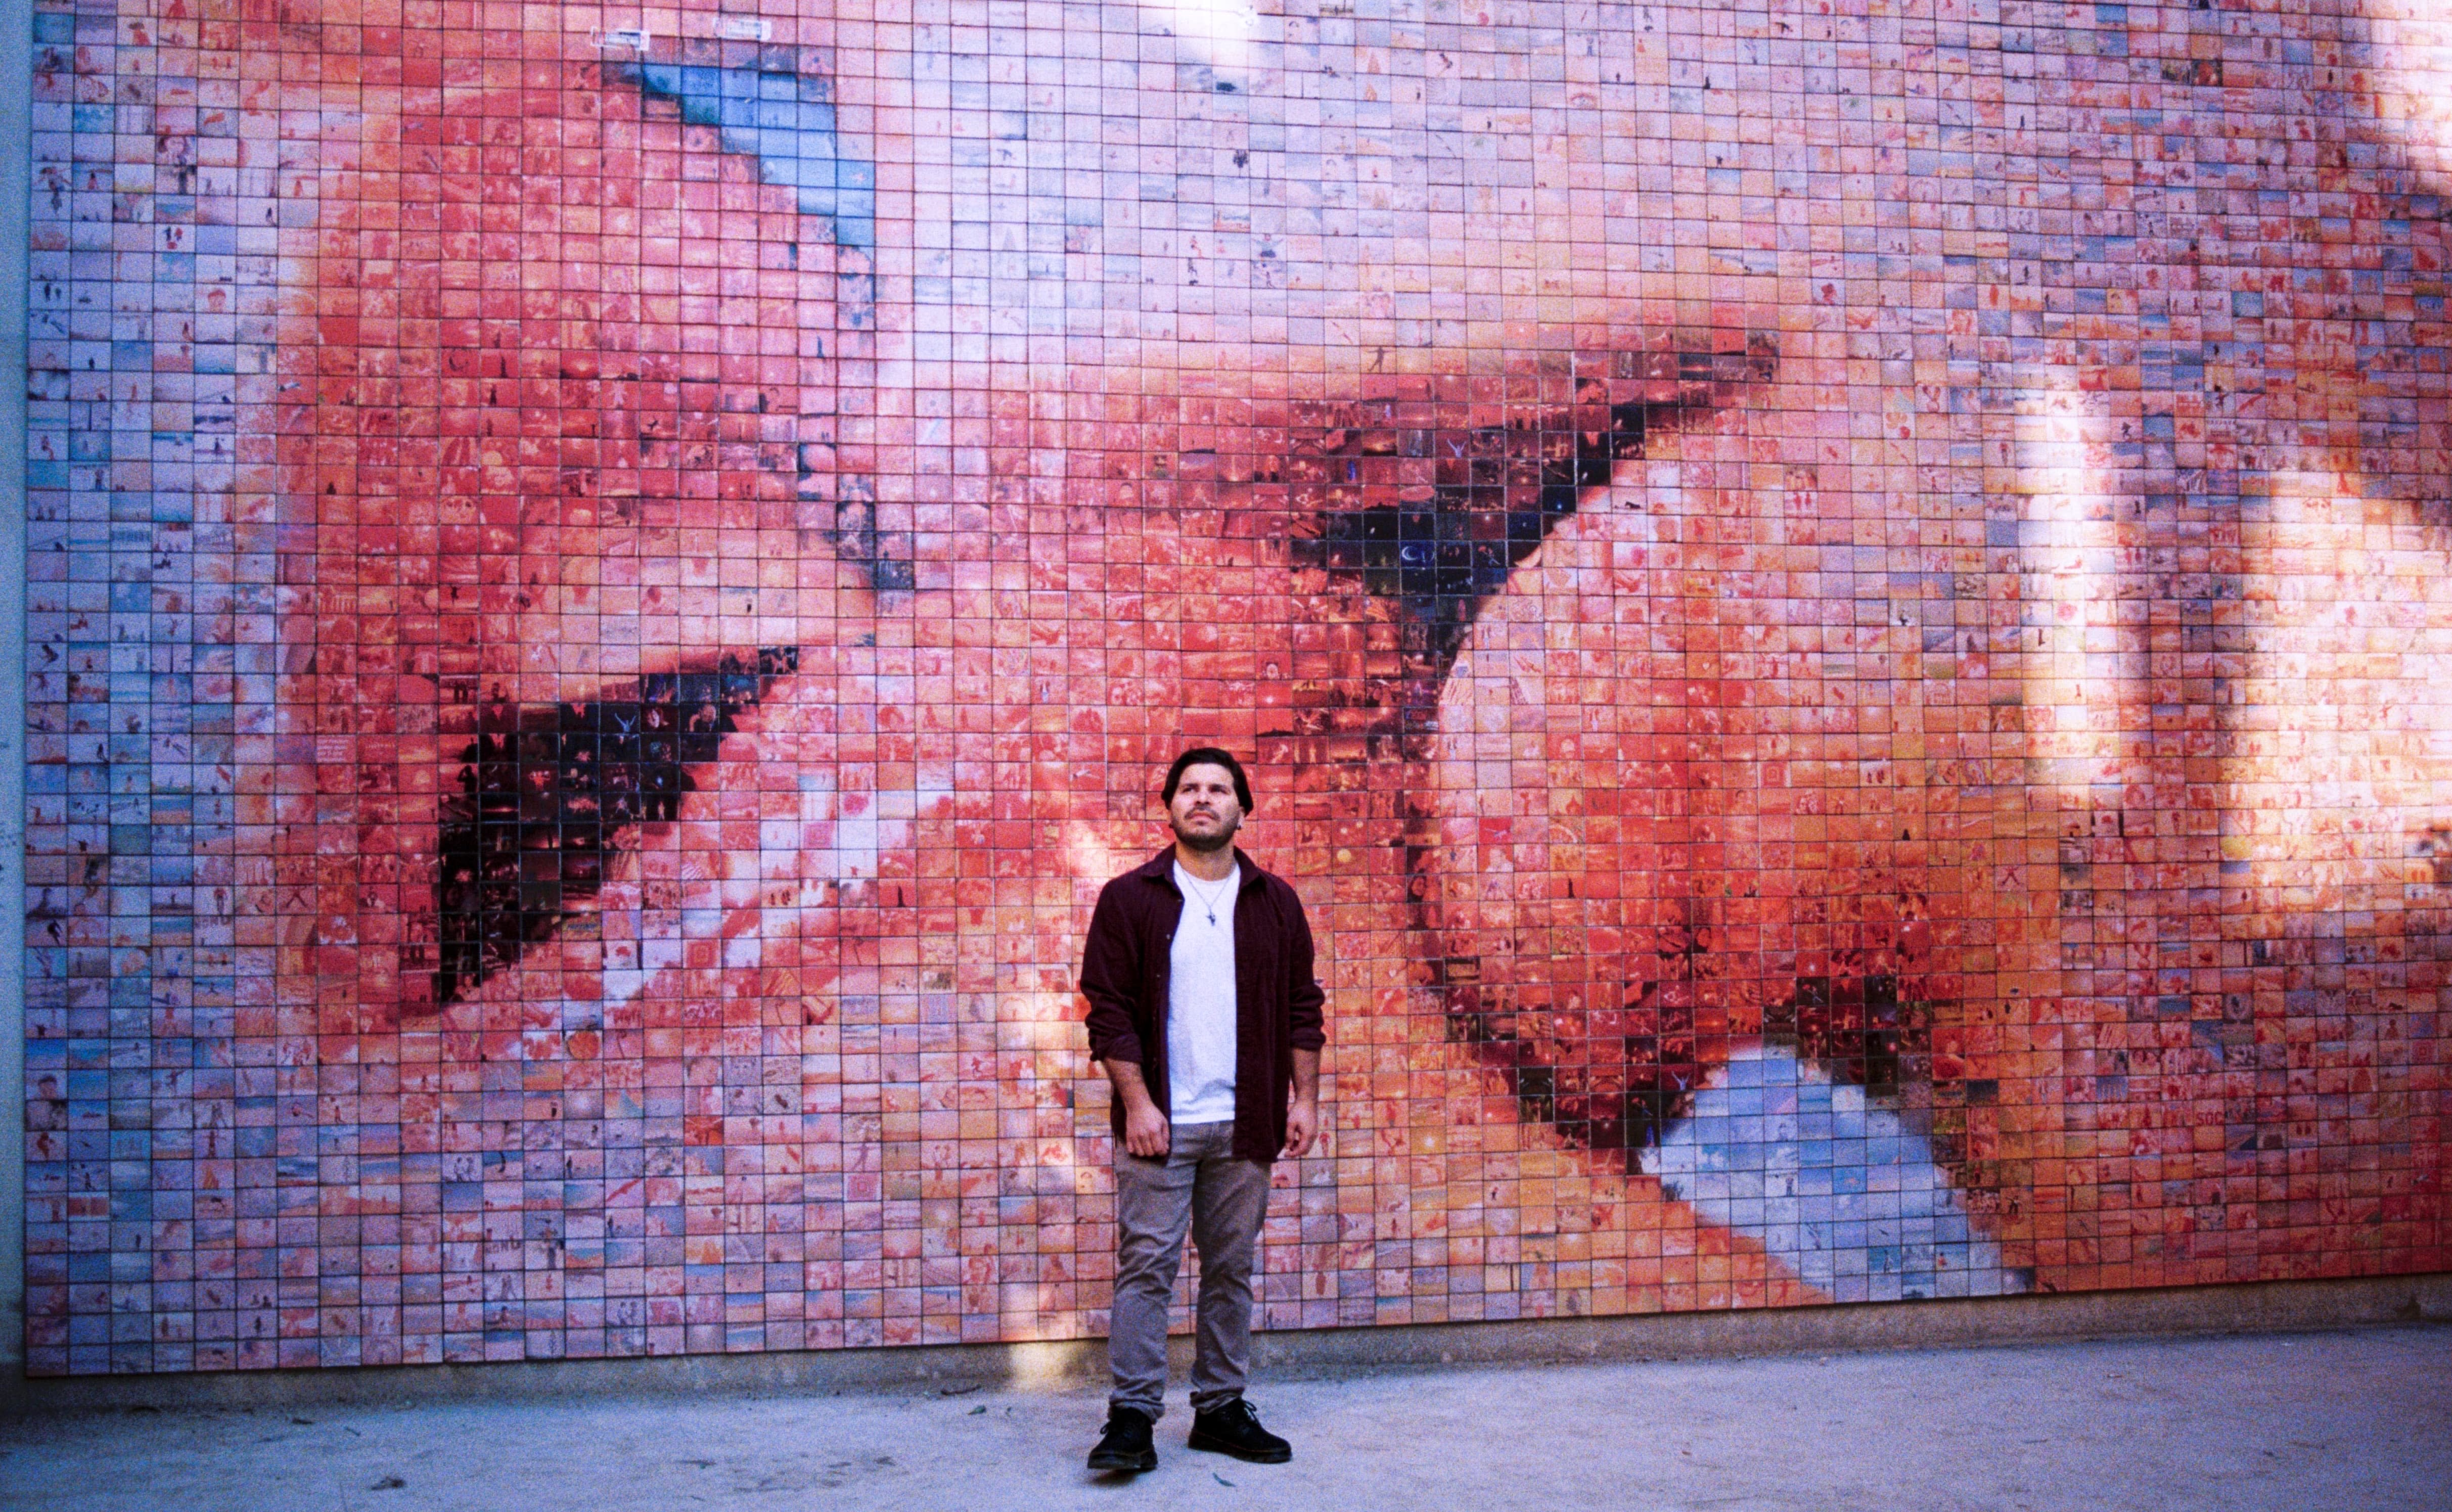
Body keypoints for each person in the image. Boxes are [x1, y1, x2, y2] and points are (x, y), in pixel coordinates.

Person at [1077, 749, 1326, 1472]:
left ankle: (1219, 1410)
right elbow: (1107, 1010)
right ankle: (1131, 1418)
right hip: (1161, 1123)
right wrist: (1138, 1104)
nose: (1203, 798)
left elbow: (1302, 1007)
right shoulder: (1130, 898)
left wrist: (1305, 1099)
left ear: (1242, 809)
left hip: (1247, 1122)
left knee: (1229, 1270)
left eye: (1219, 789)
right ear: (1169, 807)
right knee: (1146, 1269)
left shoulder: (1275, 902)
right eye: (1189, 788)